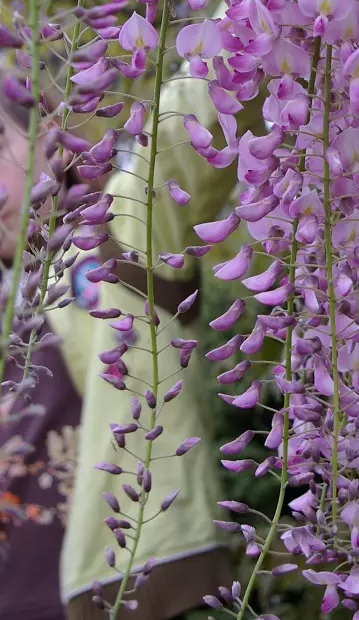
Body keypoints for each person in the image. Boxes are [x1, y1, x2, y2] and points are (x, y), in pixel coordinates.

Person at [0, 59, 260, 619]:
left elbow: (184, 126)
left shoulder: (112, 238)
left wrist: (256, 4)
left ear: (52, 135)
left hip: (139, 591)